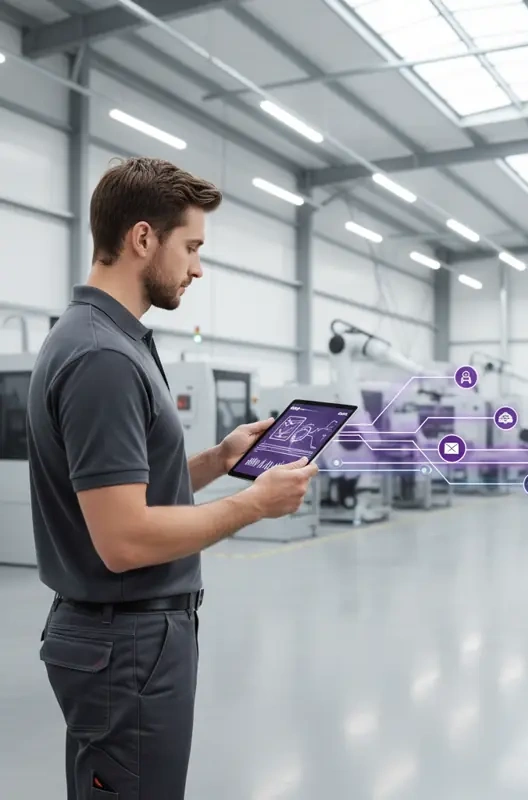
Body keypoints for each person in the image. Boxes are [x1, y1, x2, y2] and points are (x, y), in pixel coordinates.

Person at [26, 157, 319, 800]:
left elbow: (118, 491)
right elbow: (125, 538)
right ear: (141, 239)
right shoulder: (103, 354)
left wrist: (219, 459)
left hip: (123, 638)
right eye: (190, 246)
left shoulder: (103, 338)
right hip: (126, 642)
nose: (196, 267)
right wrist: (254, 504)